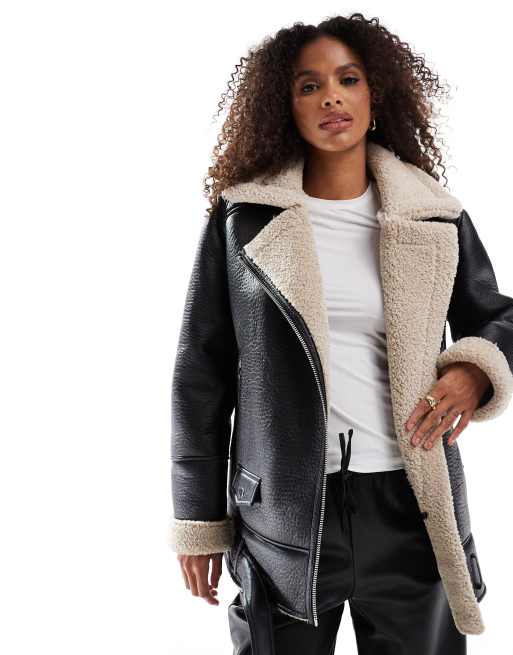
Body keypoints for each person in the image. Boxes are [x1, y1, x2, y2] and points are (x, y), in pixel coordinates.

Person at [168, 13, 513, 655]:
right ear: (285, 107)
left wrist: (472, 372)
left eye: (348, 79)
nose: (331, 97)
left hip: (412, 509)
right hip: (286, 517)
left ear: (375, 94)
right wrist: (197, 518)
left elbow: (498, 317)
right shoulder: (244, 220)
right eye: (309, 86)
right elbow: (200, 373)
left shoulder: (432, 216)